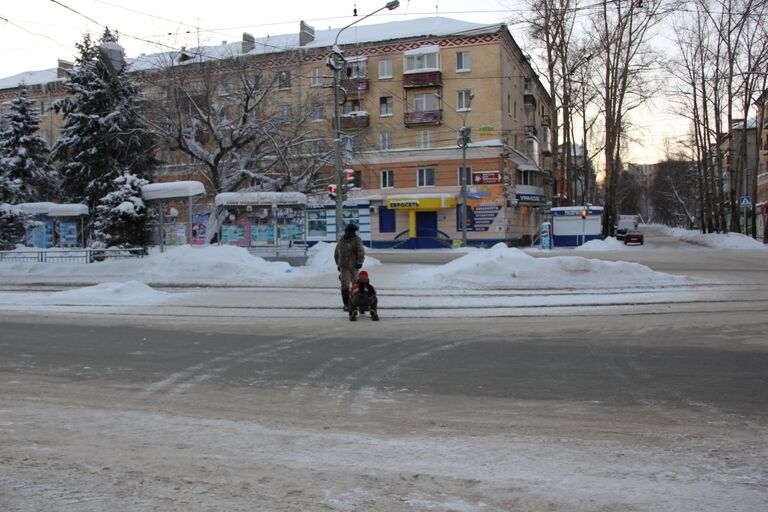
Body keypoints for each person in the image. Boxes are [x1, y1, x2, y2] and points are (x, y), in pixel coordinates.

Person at [334, 223, 365, 311]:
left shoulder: (357, 239)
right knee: (345, 285)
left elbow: (361, 251)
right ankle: (347, 304)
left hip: (354, 265)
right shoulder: (342, 240)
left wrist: (360, 261)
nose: (352, 234)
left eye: (353, 232)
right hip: (343, 266)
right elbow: (337, 253)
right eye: (350, 232)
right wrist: (338, 264)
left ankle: (358, 303)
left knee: (355, 284)